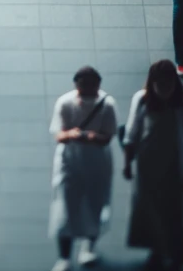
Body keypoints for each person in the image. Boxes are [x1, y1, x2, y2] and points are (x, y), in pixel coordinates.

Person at [123, 60, 183, 271]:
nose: (165, 90)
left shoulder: (182, 105)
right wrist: (128, 163)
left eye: (168, 85)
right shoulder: (142, 100)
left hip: (175, 164)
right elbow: (131, 133)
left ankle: (177, 253)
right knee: (150, 209)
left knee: (175, 209)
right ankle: (157, 251)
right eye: (161, 85)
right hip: (147, 166)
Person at [48, 67, 119, 271]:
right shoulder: (65, 102)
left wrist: (92, 137)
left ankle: (88, 248)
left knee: (94, 204)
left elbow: (107, 136)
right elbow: (59, 135)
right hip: (69, 161)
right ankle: (64, 257)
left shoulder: (107, 104)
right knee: (65, 208)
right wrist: (73, 134)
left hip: (96, 162)